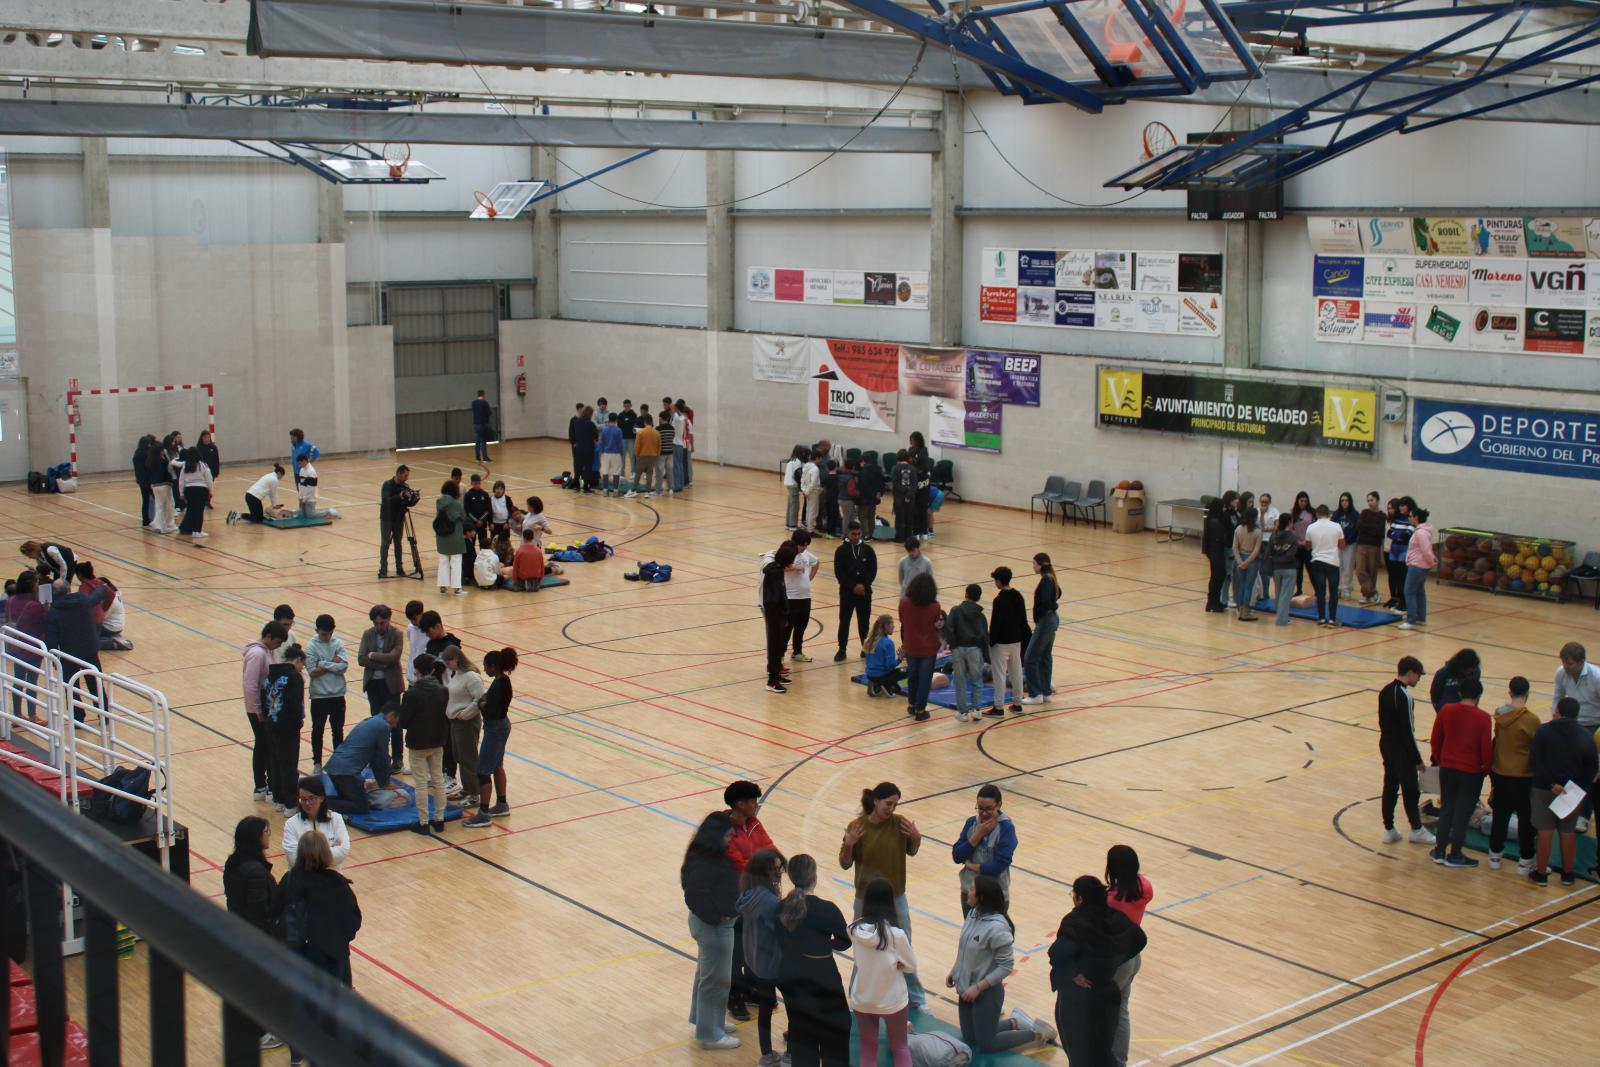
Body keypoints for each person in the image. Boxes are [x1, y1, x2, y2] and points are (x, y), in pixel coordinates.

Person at [839, 782, 925, 1012]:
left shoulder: (899, 823)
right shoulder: (857, 827)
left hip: (896, 896)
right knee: (862, 947)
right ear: (876, 801)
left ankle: (917, 999)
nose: (892, 809)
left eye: (895, 805)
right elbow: (845, 863)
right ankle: (856, 996)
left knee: (905, 945)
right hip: (865, 898)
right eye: (888, 803)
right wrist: (849, 845)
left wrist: (916, 838)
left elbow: (912, 850)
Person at [1050, 876, 1147, 1067]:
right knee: (1103, 1054)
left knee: (1079, 1058)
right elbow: (1139, 939)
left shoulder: (1075, 920)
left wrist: (1074, 973)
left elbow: (1058, 953)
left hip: (1078, 999)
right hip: (1107, 994)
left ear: (1079, 898)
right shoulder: (1115, 917)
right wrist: (1111, 963)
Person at [948, 874, 1052, 1053]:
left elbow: (1006, 966)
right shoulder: (972, 914)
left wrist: (978, 987)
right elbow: (965, 948)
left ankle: (1037, 1034)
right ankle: (1014, 1022)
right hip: (966, 988)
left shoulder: (997, 928)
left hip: (986, 993)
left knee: (987, 1044)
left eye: (971, 889)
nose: (967, 892)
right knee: (971, 1039)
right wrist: (955, 970)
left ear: (981, 897)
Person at [775, 855, 851, 1067]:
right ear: (814, 878)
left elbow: (779, 941)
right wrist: (825, 945)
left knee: (802, 1038)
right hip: (823, 976)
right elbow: (845, 941)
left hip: (792, 977)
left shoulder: (780, 908)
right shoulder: (827, 909)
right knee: (835, 1039)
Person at [223, 815, 287, 1053]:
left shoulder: (234, 863)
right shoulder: (256, 872)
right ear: (256, 838)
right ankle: (262, 1033)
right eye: (266, 831)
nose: (269, 834)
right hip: (257, 937)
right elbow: (259, 911)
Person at [683, 810, 742, 1050]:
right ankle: (711, 1034)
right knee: (715, 980)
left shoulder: (706, 854)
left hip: (714, 926)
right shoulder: (706, 861)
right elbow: (694, 895)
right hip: (714, 927)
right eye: (727, 836)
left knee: (707, 976)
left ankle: (707, 1020)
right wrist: (716, 917)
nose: (730, 840)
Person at [1528, 697, 1599, 886]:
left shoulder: (1543, 731)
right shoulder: (1585, 736)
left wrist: (1551, 784)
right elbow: (1592, 767)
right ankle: (1568, 875)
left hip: (1544, 789)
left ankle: (1541, 874)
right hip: (1571, 793)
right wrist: (1577, 788)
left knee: (1545, 831)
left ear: (1557, 711)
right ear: (1577, 714)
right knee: (1568, 832)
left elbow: (1534, 762)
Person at [848, 877, 917, 1067]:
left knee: (868, 1049)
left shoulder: (853, 929)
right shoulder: (896, 935)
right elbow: (911, 965)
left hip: (863, 999)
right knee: (900, 1048)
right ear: (890, 902)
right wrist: (899, 964)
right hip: (892, 1000)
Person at [280, 829, 361, 986]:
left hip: (298, 951)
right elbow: (353, 920)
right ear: (326, 852)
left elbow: (275, 911)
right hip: (333, 953)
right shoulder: (338, 883)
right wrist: (340, 939)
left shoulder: (290, 880)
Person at [1429, 676, 1491, 868]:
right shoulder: (1483, 717)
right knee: (1462, 814)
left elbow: (1435, 739)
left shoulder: (1446, 710)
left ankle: (1439, 850)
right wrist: (1486, 770)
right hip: (1471, 772)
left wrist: (1442, 760)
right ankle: (1455, 854)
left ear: (1459, 693)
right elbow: (1486, 749)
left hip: (1448, 768)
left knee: (1447, 808)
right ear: (1479, 696)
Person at [735, 849, 788, 1067]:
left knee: (765, 1008)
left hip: (757, 962)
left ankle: (766, 1055)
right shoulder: (769, 901)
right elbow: (781, 931)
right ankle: (791, 1054)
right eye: (774, 869)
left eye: (779, 868)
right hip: (774, 963)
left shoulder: (748, 894)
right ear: (762, 872)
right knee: (794, 1005)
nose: (778, 872)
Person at [1378, 656, 1435, 846]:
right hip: (1402, 751)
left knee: (1390, 786)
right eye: (1418, 675)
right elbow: (1408, 731)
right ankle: (1416, 829)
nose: (1419, 679)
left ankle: (1389, 830)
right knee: (1410, 789)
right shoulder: (1405, 696)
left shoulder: (1385, 691)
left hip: (1386, 746)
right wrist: (1417, 759)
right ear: (1410, 673)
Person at [1105, 846, 1153, 1067]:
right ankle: (1119, 1061)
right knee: (1122, 1009)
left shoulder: (1111, 899)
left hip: (1116, 961)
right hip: (1134, 956)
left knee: (1105, 1010)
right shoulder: (1145, 887)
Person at [1488, 676, 1540, 873]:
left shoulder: (1499, 714)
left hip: (1500, 771)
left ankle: (1495, 855)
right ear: (1527, 694)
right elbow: (1536, 746)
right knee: (1526, 819)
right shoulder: (1532, 719)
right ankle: (1525, 860)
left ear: (1509, 692)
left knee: (1500, 815)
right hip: (1523, 775)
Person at [461, 647, 517, 827]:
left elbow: (489, 709)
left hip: (495, 729)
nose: (484, 670)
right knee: (497, 765)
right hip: (501, 726)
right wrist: (484, 701)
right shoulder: (502, 681)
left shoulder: (500, 685)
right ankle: (501, 804)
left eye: (486, 666)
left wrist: (482, 704)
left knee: (483, 771)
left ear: (493, 666)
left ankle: (483, 814)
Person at [399, 653, 450, 834]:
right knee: (438, 780)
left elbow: (403, 721)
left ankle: (423, 823)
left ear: (416, 671)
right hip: (438, 740)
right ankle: (440, 820)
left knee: (420, 783)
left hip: (418, 742)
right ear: (433, 670)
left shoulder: (411, 694)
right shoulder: (443, 690)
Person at [321, 706, 398, 815]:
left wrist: (382, 782)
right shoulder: (383, 726)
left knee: (347, 800)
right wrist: (385, 783)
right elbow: (383, 757)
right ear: (391, 715)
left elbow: (376, 758)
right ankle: (319, 803)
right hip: (347, 772)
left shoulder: (369, 721)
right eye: (396, 722)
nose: (395, 726)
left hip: (334, 767)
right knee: (361, 807)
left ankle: (319, 800)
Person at [952, 785, 1016, 912]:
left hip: (994, 896)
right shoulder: (971, 823)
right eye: (980, 808)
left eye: (989, 809)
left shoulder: (1006, 828)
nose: (984, 813)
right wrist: (978, 835)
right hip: (970, 893)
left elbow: (997, 867)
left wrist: (971, 866)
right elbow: (957, 856)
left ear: (999, 805)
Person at [243, 621, 287, 802]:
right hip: (258, 707)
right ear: (268, 636)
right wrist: (258, 710)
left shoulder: (266, 651)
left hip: (264, 704)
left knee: (264, 745)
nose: (278, 646)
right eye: (277, 642)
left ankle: (265, 785)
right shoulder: (257, 654)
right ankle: (263, 786)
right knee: (264, 745)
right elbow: (250, 685)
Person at [261, 643, 306, 814]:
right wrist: (298, 722)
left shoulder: (270, 675)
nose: (302, 669)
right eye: (302, 665)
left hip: (271, 724)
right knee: (289, 765)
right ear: (298, 659)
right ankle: (291, 804)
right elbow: (295, 703)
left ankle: (279, 800)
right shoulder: (294, 677)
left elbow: (264, 699)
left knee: (276, 763)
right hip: (288, 728)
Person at [441, 645, 484, 812]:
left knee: (468, 758)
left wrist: (465, 714)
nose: (447, 665)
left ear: (457, 658)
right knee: (459, 756)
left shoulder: (472, 676)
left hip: (466, 723)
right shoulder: (457, 674)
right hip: (455, 721)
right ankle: (467, 789)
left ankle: (474, 794)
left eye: (449, 662)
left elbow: (480, 700)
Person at [304, 614, 348, 772]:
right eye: (324, 634)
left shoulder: (338, 643)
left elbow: (343, 667)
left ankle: (338, 762)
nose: (327, 636)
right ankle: (317, 763)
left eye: (330, 633)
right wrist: (331, 663)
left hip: (337, 695)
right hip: (319, 696)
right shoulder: (311, 646)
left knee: (338, 730)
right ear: (317, 631)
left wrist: (322, 663)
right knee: (318, 730)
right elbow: (312, 672)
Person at [898, 572, 942, 722]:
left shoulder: (904, 602)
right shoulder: (935, 606)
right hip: (928, 647)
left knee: (913, 676)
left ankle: (911, 704)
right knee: (925, 679)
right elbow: (935, 623)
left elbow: (902, 620)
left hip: (911, 645)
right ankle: (920, 710)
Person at [283, 775, 350, 869]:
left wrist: (307, 855)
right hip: (303, 877)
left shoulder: (336, 819)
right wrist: (327, 852)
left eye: (311, 798)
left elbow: (342, 852)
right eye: (303, 799)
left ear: (321, 798)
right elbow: (293, 858)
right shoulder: (291, 824)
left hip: (330, 876)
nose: (307, 803)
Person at [946, 584, 991, 722]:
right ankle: (977, 710)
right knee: (977, 679)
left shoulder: (955, 610)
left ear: (966, 594)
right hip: (975, 649)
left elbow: (949, 629)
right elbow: (985, 636)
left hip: (958, 648)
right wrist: (985, 654)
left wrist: (953, 645)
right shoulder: (980, 615)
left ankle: (963, 712)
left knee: (960, 681)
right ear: (979, 597)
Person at [833, 521, 877, 663]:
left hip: (864, 592)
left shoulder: (868, 550)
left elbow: (873, 570)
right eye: (853, 534)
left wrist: (864, 585)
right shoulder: (841, 551)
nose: (856, 536)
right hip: (847, 593)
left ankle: (865, 648)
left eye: (859, 534)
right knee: (844, 621)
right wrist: (853, 586)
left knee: (864, 622)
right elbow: (839, 573)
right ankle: (842, 649)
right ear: (848, 533)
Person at [988, 566, 1028, 714]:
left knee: (999, 675)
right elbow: (1023, 620)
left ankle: (998, 707)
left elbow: (995, 624)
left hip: (1001, 643)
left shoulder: (999, 600)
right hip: (1016, 641)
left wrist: (991, 641)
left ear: (999, 581)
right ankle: (1017, 704)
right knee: (1016, 672)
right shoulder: (1018, 596)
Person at [1022, 553, 1060, 704]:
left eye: (1034, 563)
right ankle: (1046, 693)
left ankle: (1035, 694)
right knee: (1045, 656)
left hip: (1046, 621)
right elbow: (1059, 592)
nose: (1033, 566)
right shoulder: (1051, 577)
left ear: (1040, 565)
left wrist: (1040, 614)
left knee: (1030, 658)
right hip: (1051, 619)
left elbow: (1046, 601)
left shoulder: (1046, 580)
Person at [1303, 504, 1346, 627]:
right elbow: (1342, 545)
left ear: (1317, 514)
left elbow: (1308, 546)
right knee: (1333, 591)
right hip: (1333, 562)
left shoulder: (1311, 527)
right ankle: (1332, 619)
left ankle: (1321, 618)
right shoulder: (1336, 526)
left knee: (1320, 591)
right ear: (1329, 514)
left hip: (1317, 562)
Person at [760, 543, 795, 694]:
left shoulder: (777, 570)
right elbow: (774, 598)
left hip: (779, 615)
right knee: (774, 647)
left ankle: (776, 675)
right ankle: (772, 681)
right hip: (775, 615)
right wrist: (782, 613)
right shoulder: (774, 573)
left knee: (778, 646)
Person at [75, 562, 132, 652]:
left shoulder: (109, 599)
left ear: (79, 574)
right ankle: (107, 638)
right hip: (111, 625)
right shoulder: (100, 585)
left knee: (85, 641)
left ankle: (114, 643)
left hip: (109, 627)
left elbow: (99, 617)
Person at [1399, 506, 1435, 629]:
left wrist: (1432, 561)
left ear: (1416, 518)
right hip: (1420, 565)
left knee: (1409, 591)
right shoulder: (1421, 531)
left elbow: (1426, 550)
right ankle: (1420, 617)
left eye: (1410, 516)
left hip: (1417, 565)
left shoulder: (1421, 533)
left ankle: (1411, 620)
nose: (1409, 518)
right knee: (1419, 591)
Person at [378, 465, 416, 579]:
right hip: (387, 519)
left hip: (399, 519)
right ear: (398, 474)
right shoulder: (387, 485)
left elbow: (408, 503)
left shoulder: (405, 486)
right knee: (385, 543)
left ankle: (399, 568)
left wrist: (414, 499)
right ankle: (383, 569)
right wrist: (399, 497)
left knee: (398, 543)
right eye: (405, 475)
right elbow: (386, 501)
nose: (407, 478)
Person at [1553, 642, 1600, 730]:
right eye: (1563, 662)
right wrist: (1554, 715)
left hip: (1595, 724)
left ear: (1581, 662)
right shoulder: (1560, 672)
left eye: (1569, 663)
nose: (1565, 666)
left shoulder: (1597, 677)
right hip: (1571, 722)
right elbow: (1558, 697)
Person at [1262, 514, 1299, 627]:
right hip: (1289, 568)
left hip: (1276, 569)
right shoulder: (1293, 536)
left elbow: (1268, 553)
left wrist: (1271, 565)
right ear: (1289, 522)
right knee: (1285, 595)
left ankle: (1281, 616)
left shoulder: (1274, 535)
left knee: (1278, 594)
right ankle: (1281, 620)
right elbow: (1290, 556)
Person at [433, 479, 467, 597]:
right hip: (454, 536)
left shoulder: (439, 502)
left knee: (443, 561)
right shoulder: (456, 504)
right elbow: (463, 516)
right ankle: (457, 588)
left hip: (441, 535)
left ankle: (443, 587)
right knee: (456, 561)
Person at [1353, 492, 1386, 605]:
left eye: (1372, 500)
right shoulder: (1364, 512)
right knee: (1360, 570)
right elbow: (1359, 526)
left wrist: (1367, 527)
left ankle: (1366, 595)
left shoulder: (1382, 516)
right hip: (1361, 544)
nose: (1370, 502)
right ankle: (1373, 591)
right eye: (1368, 500)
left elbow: (1380, 531)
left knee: (1372, 571)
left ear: (1377, 500)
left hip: (1374, 546)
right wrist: (1372, 527)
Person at [862, 616, 907, 697]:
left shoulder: (869, 640)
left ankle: (877, 685)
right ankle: (886, 685)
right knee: (909, 670)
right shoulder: (888, 643)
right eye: (892, 624)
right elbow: (889, 666)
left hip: (869, 675)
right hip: (882, 675)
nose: (894, 626)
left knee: (891, 675)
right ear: (886, 626)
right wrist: (899, 659)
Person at [1231, 507, 1262, 622]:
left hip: (1240, 559)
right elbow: (1256, 550)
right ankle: (1245, 612)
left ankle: (1240, 610)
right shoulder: (1258, 532)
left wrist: (1240, 561)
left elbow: (1234, 547)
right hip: (1252, 560)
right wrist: (1247, 562)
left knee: (1241, 585)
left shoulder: (1238, 528)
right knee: (1248, 586)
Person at [1201, 497, 1231, 613]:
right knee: (1217, 577)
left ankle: (1213, 601)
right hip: (1215, 552)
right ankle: (1212, 602)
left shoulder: (1213, 519)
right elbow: (1221, 537)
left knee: (1217, 577)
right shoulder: (1215, 522)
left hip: (1214, 552)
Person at [176, 448, 214, 539]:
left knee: (191, 510)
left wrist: (181, 493)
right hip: (201, 490)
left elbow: (181, 480)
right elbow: (209, 479)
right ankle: (198, 531)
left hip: (189, 490)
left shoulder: (185, 465)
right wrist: (211, 491)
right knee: (199, 511)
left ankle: (193, 530)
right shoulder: (203, 465)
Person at [145, 436, 179, 534]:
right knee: (168, 505)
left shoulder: (150, 461)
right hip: (164, 484)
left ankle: (158, 525)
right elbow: (168, 472)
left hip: (154, 485)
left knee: (159, 506)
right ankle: (167, 526)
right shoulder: (162, 461)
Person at [1431, 648, 1481, 713]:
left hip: (1466, 711)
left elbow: (1476, 693)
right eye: (1469, 669)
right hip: (1446, 711)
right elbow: (1435, 694)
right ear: (1462, 666)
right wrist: (1440, 712)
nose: (1471, 671)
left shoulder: (1476, 672)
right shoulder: (1444, 672)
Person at [461, 474, 493, 577]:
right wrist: (475, 521)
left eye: (478, 483)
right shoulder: (468, 495)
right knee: (470, 546)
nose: (477, 485)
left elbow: (488, 510)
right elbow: (467, 510)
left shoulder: (485, 494)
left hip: (482, 525)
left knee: (484, 544)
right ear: (471, 483)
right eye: (475, 483)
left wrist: (481, 521)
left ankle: (485, 564)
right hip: (472, 526)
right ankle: (471, 567)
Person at [294, 455, 340, 522]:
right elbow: (300, 485)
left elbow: (311, 489)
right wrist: (300, 497)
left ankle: (329, 511)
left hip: (310, 498)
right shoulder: (301, 470)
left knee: (310, 515)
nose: (299, 465)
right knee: (302, 515)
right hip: (304, 497)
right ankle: (313, 510)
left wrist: (304, 499)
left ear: (304, 461)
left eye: (300, 463)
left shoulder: (311, 471)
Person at [1331, 492, 1359, 599]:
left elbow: (1356, 530)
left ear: (1350, 502)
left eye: (1346, 500)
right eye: (1342, 500)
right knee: (1337, 567)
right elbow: (1332, 528)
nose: (1344, 502)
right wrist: (1337, 541)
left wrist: (1347, 541)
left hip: (1350, 545)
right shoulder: (1336, 514)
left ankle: (1347, 590)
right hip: (1337, 545)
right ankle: (1337, 589)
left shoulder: (1355, 515)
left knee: (1348, 568)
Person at [1287, 491, 1315, 596]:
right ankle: (1299, 590)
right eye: (1301, 501)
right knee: (1298, 570)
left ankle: (1317, 591)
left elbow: (1314, 528)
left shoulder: (1312, 512)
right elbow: (1291, 529)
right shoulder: (1293, 513)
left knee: (1311, 570)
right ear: (1297, 501)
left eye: (1305, 501)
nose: (1303, 503)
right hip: (1297, 546)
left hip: (1308, 546)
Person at [630, 416, 662, 497]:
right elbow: (659, 446)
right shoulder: (657, 433)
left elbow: (637, 446)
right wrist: (657, 455)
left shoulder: (640, 433)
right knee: (649, 475)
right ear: (652, 422)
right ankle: (647, 492)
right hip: (653, 457)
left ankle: (633, 490)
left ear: (645, 423)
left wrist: (636, 455)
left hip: (642, 456)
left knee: (638, 474)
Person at [596, 412, 624, 496]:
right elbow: (620, 444)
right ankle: (615, 491)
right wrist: (621, 453)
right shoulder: (618, 430)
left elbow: (601, 442)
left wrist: (601, 452)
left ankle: (605, 491)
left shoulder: (605, 429)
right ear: (616, 420)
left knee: (605, 472)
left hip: (606, 453)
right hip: (616, 453)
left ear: (608, 419)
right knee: (616, 472)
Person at [889, 451, 915, 541]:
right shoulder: (913, 468)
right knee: (909, 517)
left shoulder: (895, 468)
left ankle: (899, 537)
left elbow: (895, 483)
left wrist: (904, 492)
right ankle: (908, 537)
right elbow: (914, 484)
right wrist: (908, 494)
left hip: (899, 496)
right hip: (910, 497)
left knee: (900, 517)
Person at [132, 435, 157, 529]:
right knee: (154, 500)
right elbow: (150, 467)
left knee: (145, 500)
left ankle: (145, 520)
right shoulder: (146, 454)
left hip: (141, 480)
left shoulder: (137, 453)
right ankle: (153, 519)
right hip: (148, 480)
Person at [673, 399, 695, 490]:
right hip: (684, 443)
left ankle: (683, 482)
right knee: (683, 464)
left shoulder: (680, 419)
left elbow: (690, 434)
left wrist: (692, 446)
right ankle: (684, 482)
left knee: (681, 464)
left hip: (682, 444)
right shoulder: (686, 420)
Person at [655, 411, 676, 497]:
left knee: (659, 472)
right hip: (670, 452)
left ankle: (658, 490)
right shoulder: (672, 428)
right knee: (669, 471)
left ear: (660, 418)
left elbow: (656, 440)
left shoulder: (658, 429)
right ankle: (671, 488)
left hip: (661, 453)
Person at [471, 389, 492, 462]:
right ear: (483, 395)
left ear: (478, 395)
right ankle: (485, 458)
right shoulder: (484, 402)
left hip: (476, 424)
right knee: (483, 441)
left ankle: (477, 458)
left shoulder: (473, 403)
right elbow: (489, 413)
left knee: (477, 441)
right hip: (483, 424)